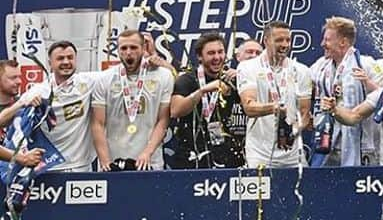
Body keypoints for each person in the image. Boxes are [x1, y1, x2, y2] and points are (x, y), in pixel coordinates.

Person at [0, 41, 106, 172]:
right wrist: (23, 103)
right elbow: (2, 120)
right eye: (60, 58)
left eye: (70, 57)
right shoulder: (39, 90)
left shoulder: (88, 81)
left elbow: (118, 72)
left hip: (82, 167)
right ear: (50, 63)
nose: (66, 62)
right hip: (50, 167)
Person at [91, 28, 173, 171]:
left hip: (150, 161)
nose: (128, 52)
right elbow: (98, 123)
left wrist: (147, 153)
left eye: (134, 47)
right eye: (123, 48)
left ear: (143, 49)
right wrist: (105, 162)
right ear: (117, 50)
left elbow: (163, 120)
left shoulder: (163, 76)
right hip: (113, 162)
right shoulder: (104, 79)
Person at [237, 21, 313, 169]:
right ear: (266, 41)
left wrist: (293, 131)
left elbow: (304, 113)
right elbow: (249, 107)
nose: (284, 45)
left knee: (303, 190)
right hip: (259, 153)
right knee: (260, 192)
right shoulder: (248, 67)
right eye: (279, 40)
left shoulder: (301, 70)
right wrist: (274, 107)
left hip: (292, 153)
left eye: (288, 40)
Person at [171, 32, 246, 168]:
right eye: (211, 53)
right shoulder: (188, 79)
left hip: (228, 155)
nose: (217, 57)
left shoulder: (233, 79)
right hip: (192, 155)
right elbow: (176, 111)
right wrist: (202, 91)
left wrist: (242, 78)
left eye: (220, 52)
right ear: (200, 56)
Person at [309, 17, 363, 167]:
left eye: (327, 40)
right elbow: (301, 82)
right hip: (327, 139)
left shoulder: (365, 64)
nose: (322, 44)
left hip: (356, 141)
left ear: (343, 42)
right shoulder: (320, 66)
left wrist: (369, 84)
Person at [0, 59, 45, 168]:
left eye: (19, 77)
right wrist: (21, 158)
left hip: (17, 176)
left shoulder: (26, 105)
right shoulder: (21, 104)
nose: (19, 81)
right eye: (13, 78)